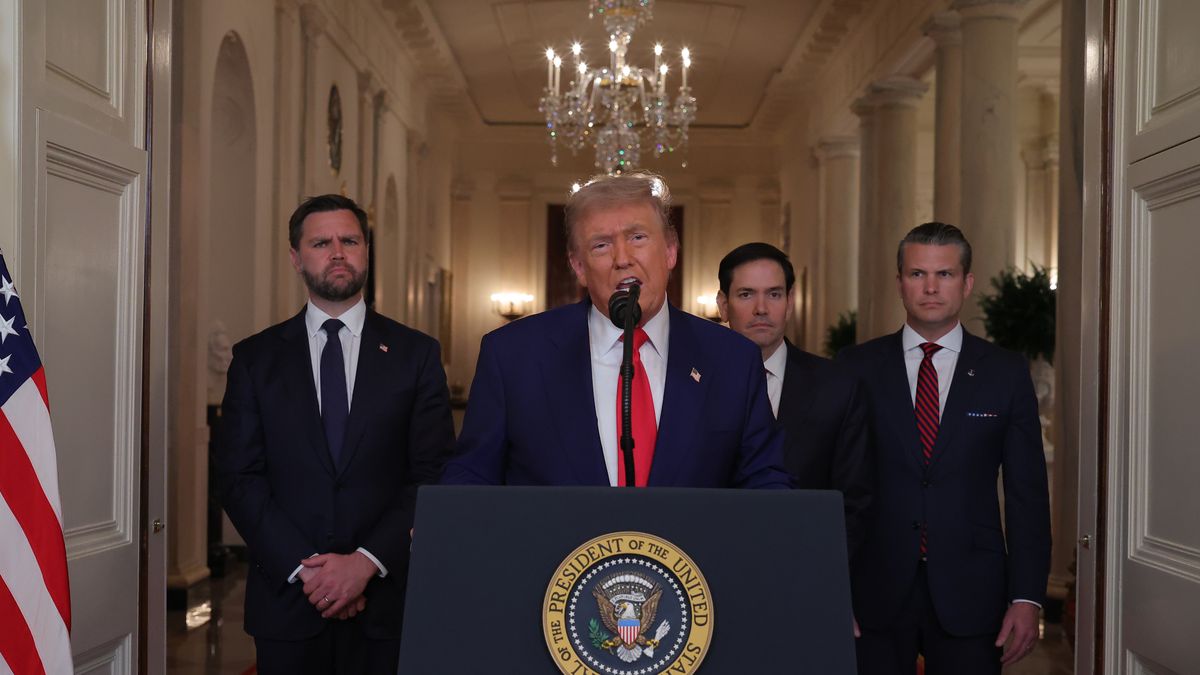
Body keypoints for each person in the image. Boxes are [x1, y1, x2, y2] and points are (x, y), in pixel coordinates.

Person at [215, 194, 455, 674]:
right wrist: (313, 572)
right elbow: (239, 478)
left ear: (366, 250)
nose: (337, 252)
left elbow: (433, 474)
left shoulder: (416, 355)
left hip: (387, 604)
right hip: (288, 605)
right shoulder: (256, 359)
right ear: (296, 258)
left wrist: (364, 563)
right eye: (321, 242)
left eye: (350, 240)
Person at [440, 172, 789, 488]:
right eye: (601, 245)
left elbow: (764, 480)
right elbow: (472, 473)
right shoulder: (513, 355)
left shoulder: (732, 359)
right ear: (579, 266)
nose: (622, 258)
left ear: (670, 251)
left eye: (638, 237)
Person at [838, 222, 1051, 674]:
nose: (930, 287)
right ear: (899, 283)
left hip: (973, 591)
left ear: (967, 283)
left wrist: (1028, 596)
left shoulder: (1005, 373)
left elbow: (1027, 494)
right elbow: (834, 486)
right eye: (917, 274)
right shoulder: (855, 368)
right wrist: (830, 586)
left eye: (945, 274)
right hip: (872, 590)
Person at [716, 242, 873, 557]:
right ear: (723, 304)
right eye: (746, 294)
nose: (761, 308)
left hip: (809, 568)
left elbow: (855, 502)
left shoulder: (837, 387)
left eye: (774, 294)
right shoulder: (694, 383)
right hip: (709, 571)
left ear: (790, 302)